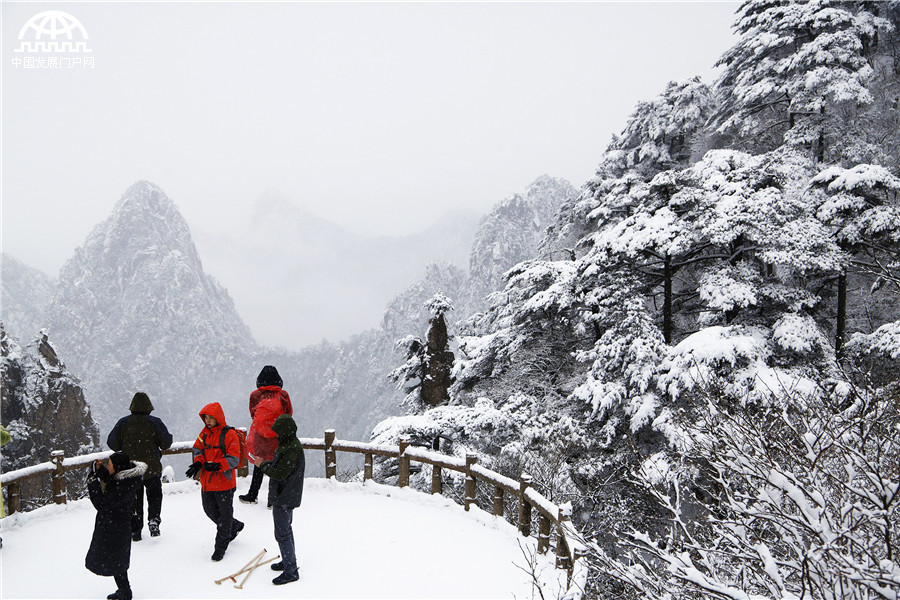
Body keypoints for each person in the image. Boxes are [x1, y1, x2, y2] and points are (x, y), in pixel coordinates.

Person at [107, 392, 173, 540]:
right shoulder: (155, 422)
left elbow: (112, 444)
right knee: (154, 495)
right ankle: (154, 520)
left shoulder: (123, 423)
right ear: (149, 407)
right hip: (151, 468)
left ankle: (135, 530)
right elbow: (166, 443)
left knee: (134, 499)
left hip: (131, 470)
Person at [250, 414, 305, 585]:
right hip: (287, 494)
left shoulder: (291, 449)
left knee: (282, 533)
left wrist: (262, 465)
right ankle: (288, 561)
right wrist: (267, 462)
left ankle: (291, 570)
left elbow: (280, 473)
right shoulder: (289, 445)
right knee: (285, 530)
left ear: (285, 432)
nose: (276, 435)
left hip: (284, 496)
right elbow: (281, 466)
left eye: (279, 432)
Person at [186, 402, 244, 561]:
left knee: (224, 516)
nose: (208, 421)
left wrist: (217, 465)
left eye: (211, 418)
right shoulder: (204, 433)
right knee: (209, 510)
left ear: (218, 417)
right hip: (207, 482)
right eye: (206, 418)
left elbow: (234, 459)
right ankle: (233, 526)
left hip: (224, 483)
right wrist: (198, 463)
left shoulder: (229, 434)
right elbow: (198, 450)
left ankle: (220, 547)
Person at [85, 451, 146, 600]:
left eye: (110, 464)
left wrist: (92, 481)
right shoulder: (127, 480)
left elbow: (102, 504)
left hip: (116, 527)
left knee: (117, 560)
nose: (108, 466)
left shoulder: (124, 486)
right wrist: (101, 471)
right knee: (118, 560)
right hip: (118, 526)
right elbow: (114, 481)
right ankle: (124, 590)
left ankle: (125, 591)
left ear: (118, 467)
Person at [240, 365, 293, 505]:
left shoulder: (255, 395)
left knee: (259, 464)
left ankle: (252, 495)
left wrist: (263, 426)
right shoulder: (283, 395)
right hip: (278, 436)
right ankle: (273, 499)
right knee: (276, 465)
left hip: (260, 437)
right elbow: (288, 413)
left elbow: (253, 414)